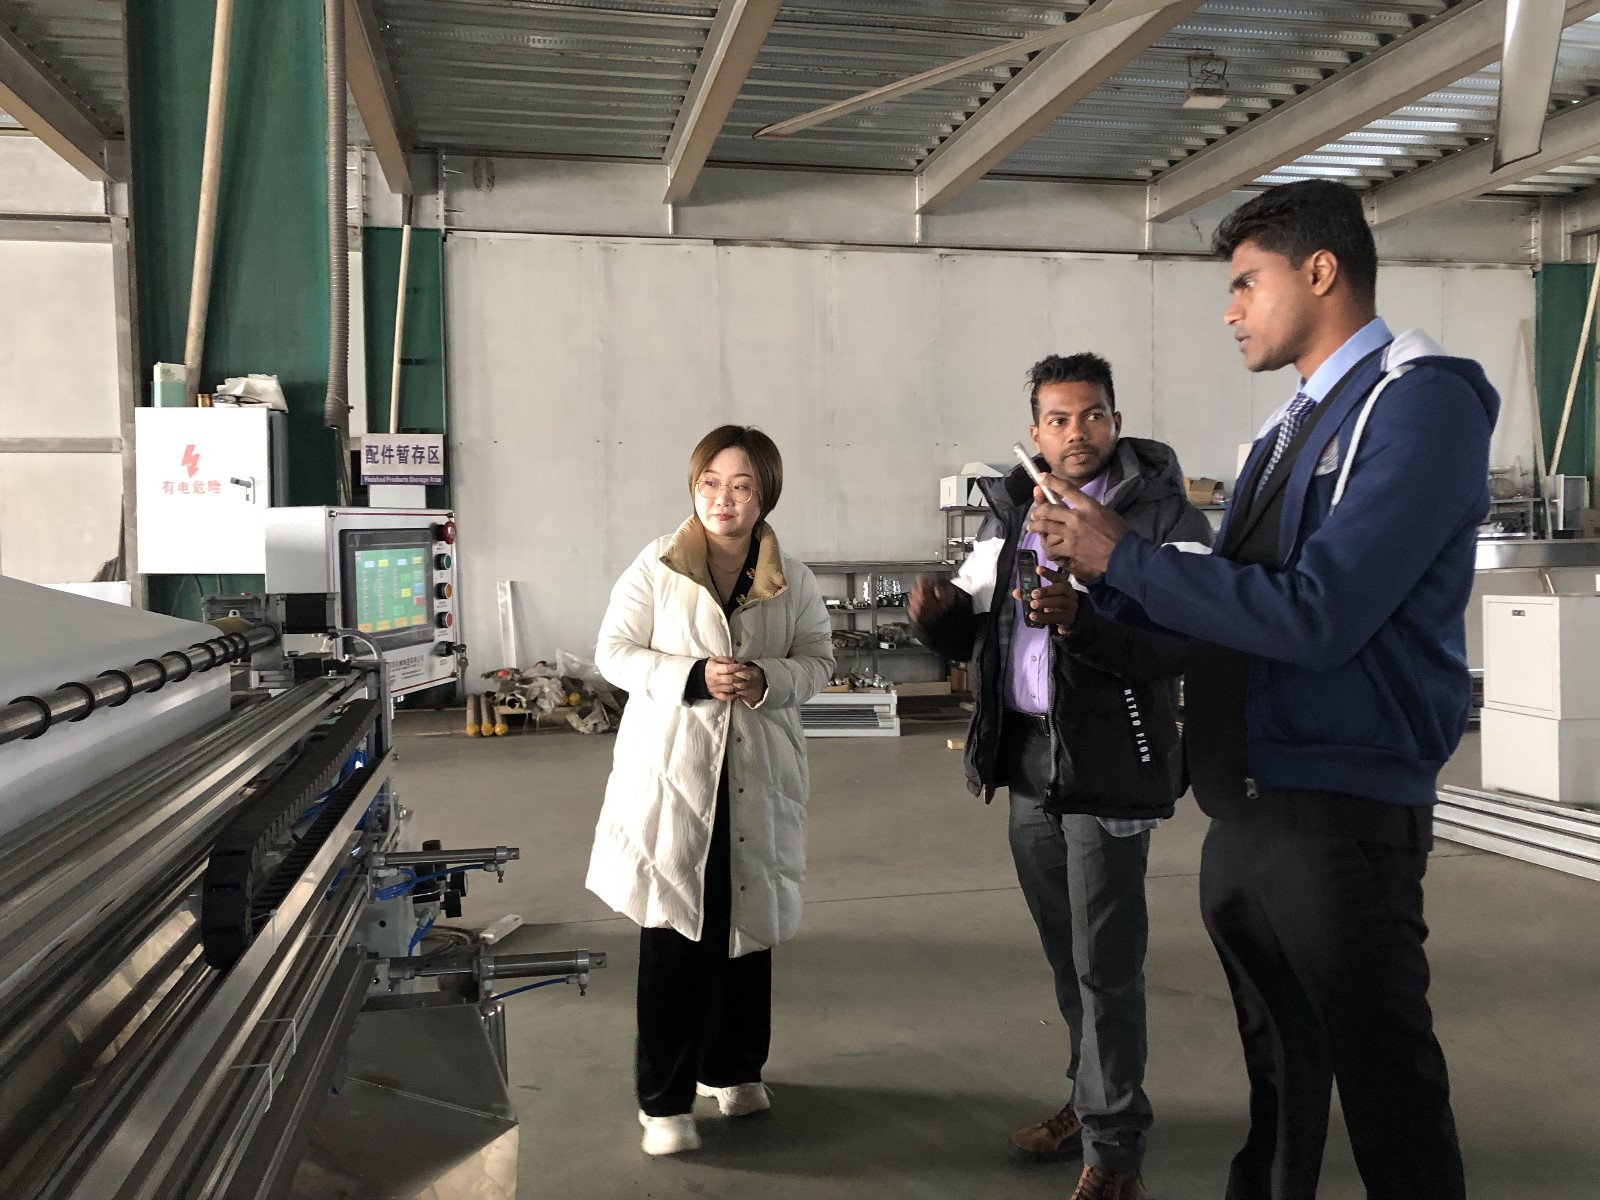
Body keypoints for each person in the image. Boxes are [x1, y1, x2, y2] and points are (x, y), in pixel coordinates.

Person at [1028, 180, 1493, 1200]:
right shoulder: (1291, 430)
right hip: (1248, 804)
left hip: (1338, 809)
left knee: (1389, 1096)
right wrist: (1103, 584)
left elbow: (1321, 614)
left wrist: (1127, 558)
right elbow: (1235, 607)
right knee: (1279, 1082)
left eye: (1246, 283)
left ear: (1319, 271)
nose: (1230, 310)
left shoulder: (1418, 406)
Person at [911, 353, 1212, 1200]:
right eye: (1057, 419)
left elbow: (1183, 643)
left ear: (1116, 421)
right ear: (1035, 431)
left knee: (1105, 962)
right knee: (1067, 954)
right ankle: (1091, 1105)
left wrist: (1084, 621)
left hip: (1110, 761)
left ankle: (1115, 1154)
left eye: (1091, 415)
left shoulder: (1164, 518)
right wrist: (938, 622)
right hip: (1030, 765)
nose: (1076, 432)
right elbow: (981, 635)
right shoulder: (1014, 511)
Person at [586, 425, 834, 1157]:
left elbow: (817, 660)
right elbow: (613, 652)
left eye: (741, 486)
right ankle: (663, 1103)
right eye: (710, 484)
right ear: (694, 489)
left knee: (746, 927)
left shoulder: (793, 578)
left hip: (759, 773)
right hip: (674, 775)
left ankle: (733, 1069)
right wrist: (692, 676)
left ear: (765, 495)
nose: (723, 499)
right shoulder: (657, 565)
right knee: (674, 931)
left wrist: (768, 680)